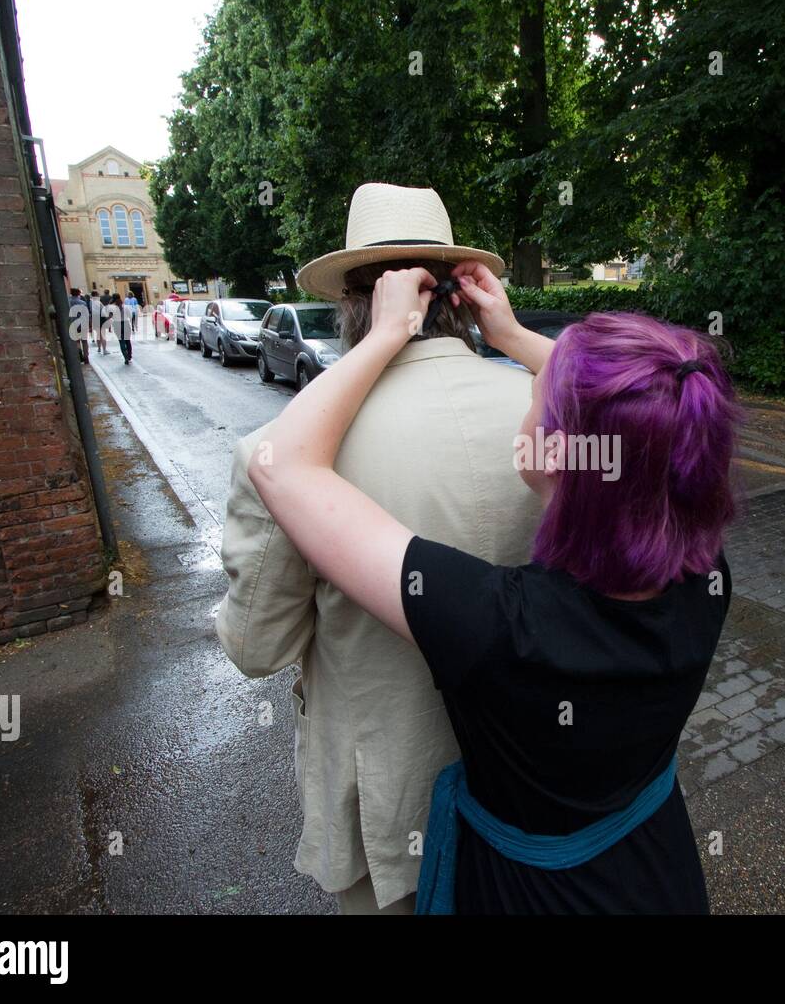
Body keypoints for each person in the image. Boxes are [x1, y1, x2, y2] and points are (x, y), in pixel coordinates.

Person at [246, 259, 740, 914]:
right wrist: (505, 334)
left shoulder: (498, 628)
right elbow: (658, 409)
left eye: (538, 391)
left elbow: (280, 466)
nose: (527, 386)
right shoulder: (704, 574)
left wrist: (384, 333)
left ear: (559, 453)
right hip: (655, 868)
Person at [216, 183, 541, 914]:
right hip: (527, 784)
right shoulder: (547, 407)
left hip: (392, 809)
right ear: (463, 296)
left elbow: (256, 646)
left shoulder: (286, 455)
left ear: (357, 303)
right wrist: (515, 338)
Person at [110, 292, 133, 364]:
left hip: (117, 324)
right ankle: (129, 356)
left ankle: (125, 357)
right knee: (128, 341)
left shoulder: (112, 307)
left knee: (121, 341)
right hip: (126, 323)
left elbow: (110, 317)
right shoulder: (126, 306)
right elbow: (130, 316)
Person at [68, 288, 89, 364]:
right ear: (78, 294)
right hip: (82, 323)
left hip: (73, 324)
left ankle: (79, 354)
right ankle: (86, 357)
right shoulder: (82, 303)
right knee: (84, 341)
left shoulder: (68, 302)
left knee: (76, 341)